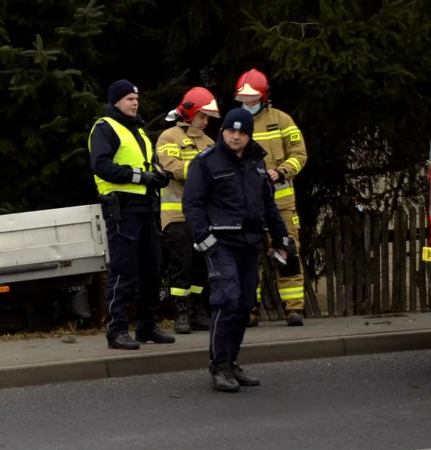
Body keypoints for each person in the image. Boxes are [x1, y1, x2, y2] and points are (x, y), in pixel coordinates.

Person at [182, 107, 295, 392]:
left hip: (250, 243)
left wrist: (281, 238)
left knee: (244, 306)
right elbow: (192, 205)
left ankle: (231, 362)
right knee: (227, 299)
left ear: (249, 135)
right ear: (222, 133)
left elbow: (268, 205)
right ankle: (219, 367)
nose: (235, 137)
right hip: (220, 244)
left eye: (242, 132)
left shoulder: (257, 162)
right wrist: (205, 240)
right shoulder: (206, 162)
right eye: (231, 131)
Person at [89, 79, 176, 350]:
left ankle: (146, 326)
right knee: (123, 269)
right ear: (115, 101)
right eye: (129, 98)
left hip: (146, 207)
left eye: (136, 98)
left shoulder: (137, 129)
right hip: (122, 207)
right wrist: (141, 177)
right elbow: (101, 165)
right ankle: (116, 331)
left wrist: (160, 176)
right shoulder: (105, 128)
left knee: (151, 269)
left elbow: (149, 164)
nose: (135, 102)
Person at [235, 69, 308, 326]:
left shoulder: (283, 121)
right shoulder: (236, 125)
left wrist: (281, 171)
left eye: (252, 100)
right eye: (243, 100)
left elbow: (300, 155)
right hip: (247, 205)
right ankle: (249, 309)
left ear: (264, 98)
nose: (247, 104)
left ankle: (294, 309)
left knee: (286, 252)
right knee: (247, 256)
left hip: (281, 204)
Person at [156, 87, 219, 335]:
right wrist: (204, 169)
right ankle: (180, 313)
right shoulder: (168, 137)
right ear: (190, 113)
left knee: (202, 266)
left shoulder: (210, 143)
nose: (206, 122)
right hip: (176, 216)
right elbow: (172, 168)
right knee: (180, 266)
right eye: (203, 116)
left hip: (203, 216)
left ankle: (195, 310)